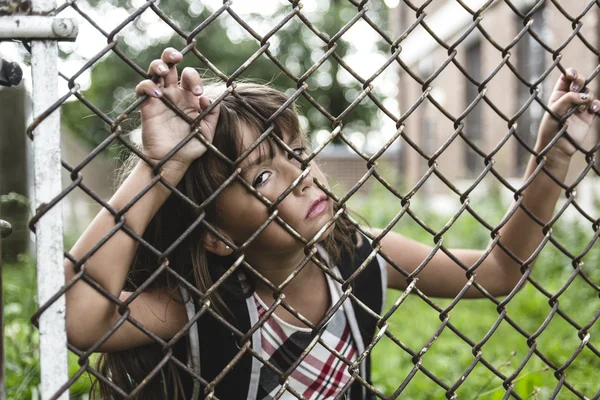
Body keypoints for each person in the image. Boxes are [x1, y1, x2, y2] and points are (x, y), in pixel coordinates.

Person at [64, 47, 599, 400]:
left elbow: (498, 272)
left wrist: (552, 159)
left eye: (298, 153)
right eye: (263, 176)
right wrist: (159, 168)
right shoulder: (206, 305)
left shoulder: (363, 259)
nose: (302, 177)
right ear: (217, 234)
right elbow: (83, 320)